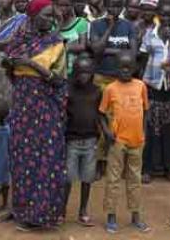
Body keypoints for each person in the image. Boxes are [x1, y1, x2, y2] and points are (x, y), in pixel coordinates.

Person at [4, 0, 66, 231]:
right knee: (21, 156)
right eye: (46, 15)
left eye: (53, 16)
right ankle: (21, 209)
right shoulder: (19, 40)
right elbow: (10, 69)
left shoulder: (56, 43)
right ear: (32, 15)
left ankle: (40, 215)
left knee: (44, 157)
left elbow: (60, 81)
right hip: (22, 106)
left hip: (45, 108)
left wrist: (34, 65)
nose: (50, 20)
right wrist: (14, 65)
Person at [99, 51, 150, 234]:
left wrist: (144, 132)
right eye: (122, 67)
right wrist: (107, 133)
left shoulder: (141, 86)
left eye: (129, 67)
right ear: (116, 68)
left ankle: (135, 216)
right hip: (117, 141)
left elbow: (145, 110)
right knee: (113, 179)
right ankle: (111, 216)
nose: (125, 71)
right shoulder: (110, 89)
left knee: (135, 179)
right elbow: (101, 113)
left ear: (135, 68)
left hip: (137, 140)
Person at [139, 0, 170, 184]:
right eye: (163, 14)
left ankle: (169, 168)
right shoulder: (150, 34)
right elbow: (143, 58)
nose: (166, 18)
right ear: (159, 14)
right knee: (150, 129)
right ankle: (147, 168)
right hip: (153, 86)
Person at [64, 56, 101, 226]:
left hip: (90, 140)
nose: (84, 76)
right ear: (75, 72)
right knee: (68, 179)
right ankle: (62, 210)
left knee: (87, 178)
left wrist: (105, 133)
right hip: (72, 140)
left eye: (87, 72)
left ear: (92, 73)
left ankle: (83, 210)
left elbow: (99, 115)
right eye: (81, 72)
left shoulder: (96, 91)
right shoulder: (68, 90)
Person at [89, 0, 137, 93]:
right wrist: (110, 27)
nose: (116, 10)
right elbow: (97, 50)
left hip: (121, 77)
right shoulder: (96, 25)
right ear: (105, 6)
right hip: (101, 75)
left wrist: (107, 50)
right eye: (112, 6)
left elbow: (133, 52)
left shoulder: (128, 26)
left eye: (119, 6)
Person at [55, 0, 88, 76]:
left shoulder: (81, 22)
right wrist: (60, 22)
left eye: (66, 5)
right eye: (60, 5)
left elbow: (82, 46)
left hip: (73, 69)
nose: (63, 8)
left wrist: (64, 47)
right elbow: (50, 43)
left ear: (72, 5)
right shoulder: (53, 24)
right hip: (56, 69)